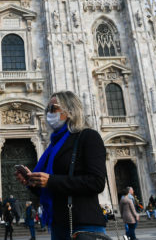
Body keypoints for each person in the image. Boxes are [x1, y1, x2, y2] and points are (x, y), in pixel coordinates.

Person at [15, 91, 107, 240]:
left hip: (83, 225)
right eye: (47, 110)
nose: (49, 114)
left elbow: (97, 182)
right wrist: (33, 182)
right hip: (59, 224)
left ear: (70, 111)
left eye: (53, 109)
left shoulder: (88, 137)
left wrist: (50, 180)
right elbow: (53, 188)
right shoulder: (55, 144)